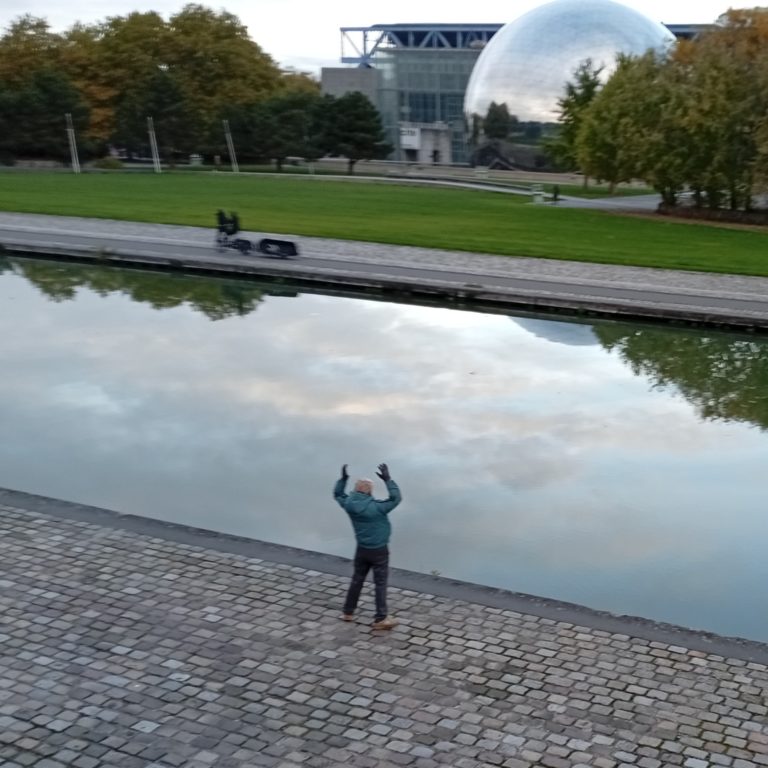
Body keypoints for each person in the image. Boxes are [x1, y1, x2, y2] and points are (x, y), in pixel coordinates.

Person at [334, 463, 401, 630]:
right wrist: (388, 480)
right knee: (380, 583)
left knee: (357, 580)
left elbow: (338, 494)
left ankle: (348, 612)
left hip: (362, 549)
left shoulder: (348, 504)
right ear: (370, 492)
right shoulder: (378, 507)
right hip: (379, 550)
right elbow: (396, 499)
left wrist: (343, 479)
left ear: (355, 490)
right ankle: (380, 618)